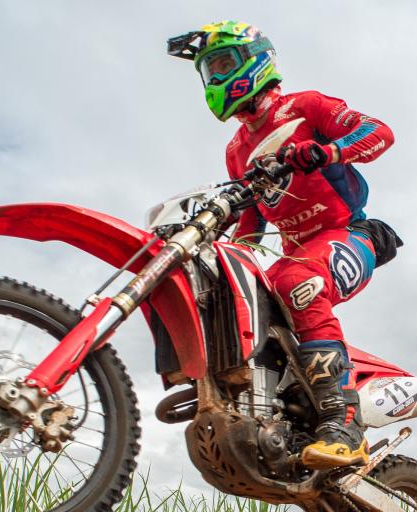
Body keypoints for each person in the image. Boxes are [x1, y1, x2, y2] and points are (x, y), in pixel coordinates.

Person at [167, 20, 401, 470]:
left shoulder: (306, 106)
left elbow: (379, 132)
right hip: (294, 249)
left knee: (296, 281)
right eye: (209, 71)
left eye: (223, 64)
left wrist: (327, 152)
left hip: (348, 233)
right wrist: (225, 251)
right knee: (236, 294)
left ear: (255, 60)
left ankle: (344, 423)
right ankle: (279, 413)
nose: (216, 78)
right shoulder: (237, 150)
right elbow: (252, 218)